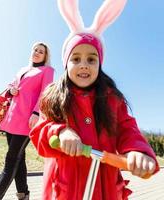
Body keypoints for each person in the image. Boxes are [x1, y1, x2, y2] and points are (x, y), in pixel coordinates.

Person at [29, 0, 159, 200]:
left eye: (91, 59)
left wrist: (137, 151)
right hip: (66, 186)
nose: (83, 65)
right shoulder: (53, 95)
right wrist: (61, 131)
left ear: (100, 63)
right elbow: (40, 132)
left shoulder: (112, 99)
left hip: (105, 185)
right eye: (76, 59)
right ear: (66, 62)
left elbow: (127, 128)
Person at [0, 42, 54, 200]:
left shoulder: (47, 70)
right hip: (12, 117)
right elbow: (11, 85)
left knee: (11, 158)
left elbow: (46, 93)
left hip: (28, 119)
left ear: (45, 56)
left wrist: (37, 112)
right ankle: (24, 194)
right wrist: (11, 90)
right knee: (18, 157)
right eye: (35, 50)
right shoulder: (23, 69)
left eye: (41, 51)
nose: (37, 52)